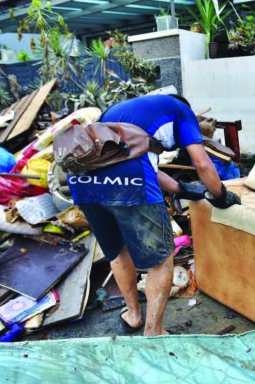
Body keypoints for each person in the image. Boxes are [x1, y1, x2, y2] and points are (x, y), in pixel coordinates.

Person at [67, 94, 240, 335]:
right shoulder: (182, 111)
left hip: (81, 180)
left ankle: (134, 316)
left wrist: (182, 190)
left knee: (117, 252)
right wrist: (220, 194)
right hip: (126, 176)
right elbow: (202, 163)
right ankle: (154, 331)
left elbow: (148, 169)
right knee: (161, 259)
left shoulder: (124, 112)